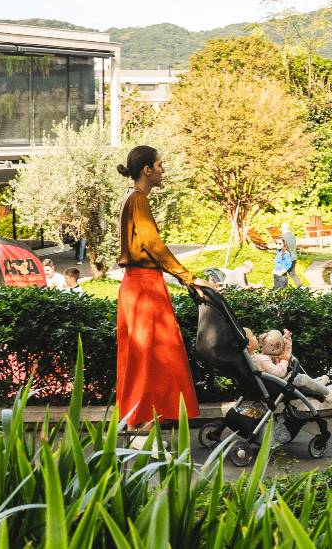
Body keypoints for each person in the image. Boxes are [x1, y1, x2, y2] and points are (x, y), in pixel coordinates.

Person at [116, 144, 215, 450]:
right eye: (159, 165)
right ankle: (143, 435)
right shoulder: (138, 200)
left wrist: (183, 277)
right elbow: (153, 246)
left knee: (142, 359)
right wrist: (190, 277)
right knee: (152, 359)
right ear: (147, 170)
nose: (162, 170)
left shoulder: (131, 199)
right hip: (144, 287)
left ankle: (139, 428)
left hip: (138, 286)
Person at [243, 328, 332, 401]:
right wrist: (284, 360)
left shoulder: (252, 359)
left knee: (298, 376)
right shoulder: (259, 359)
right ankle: (327, 393)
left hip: (275, 383)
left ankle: (315, 384)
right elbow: (279, 372)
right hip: (280, 384)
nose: (255, 337)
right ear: (248, 344)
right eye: (252, 336)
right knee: (303, 378)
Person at [279, 223, 303, 287]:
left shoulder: (282, 237)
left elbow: (280, 248)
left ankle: (283, 288)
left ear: (282, 228)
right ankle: (301, 286)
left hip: (286, 258)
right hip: (294, 257)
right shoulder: (293, 236)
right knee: (292, 273)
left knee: (283, 273)